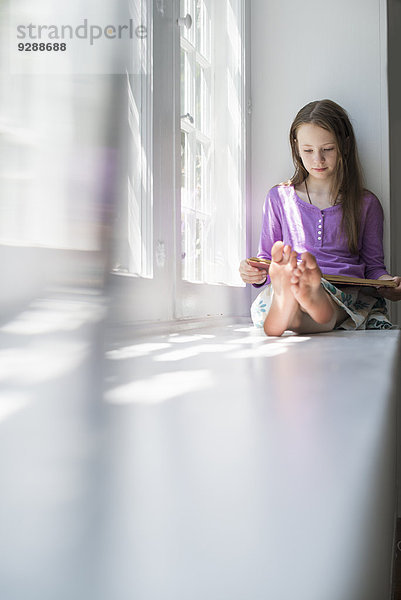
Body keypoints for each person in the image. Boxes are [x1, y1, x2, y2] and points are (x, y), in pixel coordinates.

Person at [239, 99, 401, 336]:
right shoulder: (279, 198)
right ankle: (295, 302)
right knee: (296, 289)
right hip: (292, 283)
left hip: (343, 293)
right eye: (308, 150)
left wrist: (389, 284)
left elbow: (374, 268)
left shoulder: (366, 203)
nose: (318, 159)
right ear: (296, 147)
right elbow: (266, 260)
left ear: (344, 145)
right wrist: (253, 270)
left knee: (326, 299)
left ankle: (297, 307)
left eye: (327, 149)